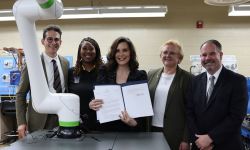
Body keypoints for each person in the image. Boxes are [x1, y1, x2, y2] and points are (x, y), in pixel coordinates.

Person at [187, 39, 248, 150]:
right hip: (199, 145)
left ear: (220, 54)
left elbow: (236, 116)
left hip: (227, 145)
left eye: (212, 53)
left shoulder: (237, 81)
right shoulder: (195, 81)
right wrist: (198, 140)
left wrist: (210, 138)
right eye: (204, 55)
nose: (207, 58)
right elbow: (190, 112)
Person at [16, 25, 69, 139]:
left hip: (62, 118)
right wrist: (21, 122)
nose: (53, 42)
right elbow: (21, 94)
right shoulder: (32, 63)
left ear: (61, 42)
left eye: (56, 39)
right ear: (43, 41)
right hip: (39, 120)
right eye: (49, 39)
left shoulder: (65, 63)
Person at [89, 36, 147, 132]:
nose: (121, 54)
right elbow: (96, 96)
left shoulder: (140, 76)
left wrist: (134, 123)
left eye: (125, 50)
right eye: (117, 51)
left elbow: (143, 106)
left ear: (131, 53)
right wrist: (92, 103)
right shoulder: (104, 71)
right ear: (113, 53)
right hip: (106, 128)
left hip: (129, 129)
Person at [147, 40, 192, 150]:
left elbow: (191, 111)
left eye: (172, 53)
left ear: (179, 58)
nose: (167, 55)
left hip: (174, 134)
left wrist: (186, 139)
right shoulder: (151, 74)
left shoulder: (188, 78)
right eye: (165, 52)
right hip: (151, 129)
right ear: (160, 55)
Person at [68, 37, 103, 131]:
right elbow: (68, 98)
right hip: (78, 124)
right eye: (84, 48)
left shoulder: (104, 71)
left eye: (91, 48)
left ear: (96, 51)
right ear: (79, 51)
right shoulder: (72, 72)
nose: (88, 51)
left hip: (102, 124)